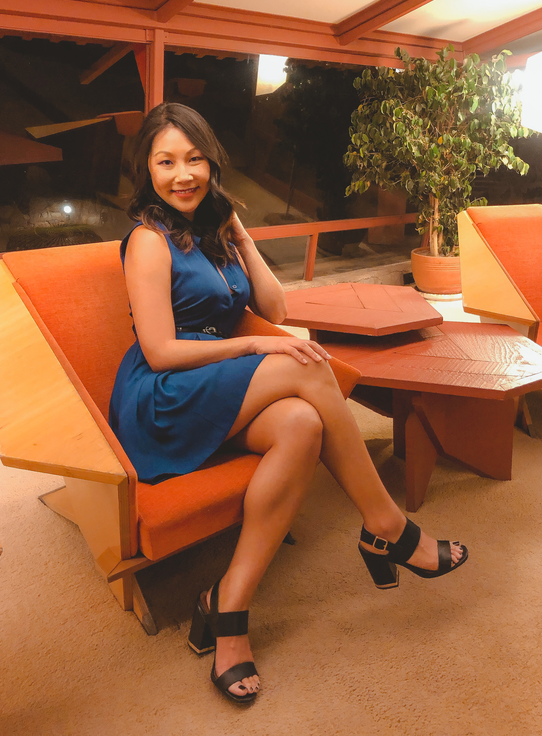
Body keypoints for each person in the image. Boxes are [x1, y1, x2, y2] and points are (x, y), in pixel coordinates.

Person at [109, 102, 468, 705]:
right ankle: (386, 527)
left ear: (212, 162)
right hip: (164, 394)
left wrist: (238, 231)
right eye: (165, 162)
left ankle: (227, 605)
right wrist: (253, 344)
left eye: (195, 159)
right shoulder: (149, 239)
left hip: (216, 382)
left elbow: (276, 308)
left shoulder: (213, 230)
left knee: (302, 423)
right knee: (306, 365)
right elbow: (162, 351)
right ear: (146, 169)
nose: (183, 175)